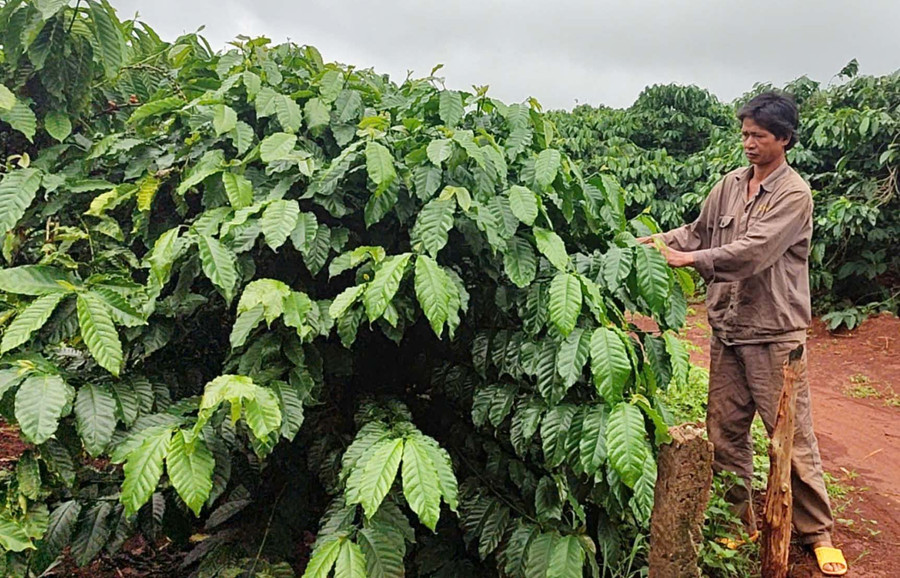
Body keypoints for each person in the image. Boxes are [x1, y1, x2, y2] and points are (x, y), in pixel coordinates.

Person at [638, 92, 847, 576]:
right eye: (745, 134)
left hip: (774, 332)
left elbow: (754, 250)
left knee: (788, 436)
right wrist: (649, 244)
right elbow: (696, 231)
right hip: (728, 328)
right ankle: (738, 523)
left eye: (759, 135)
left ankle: (817, 533)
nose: (749, 143)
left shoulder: (795, 194)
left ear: (784, 139)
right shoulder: (730, 184)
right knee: (725, 431)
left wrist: (689, 260)